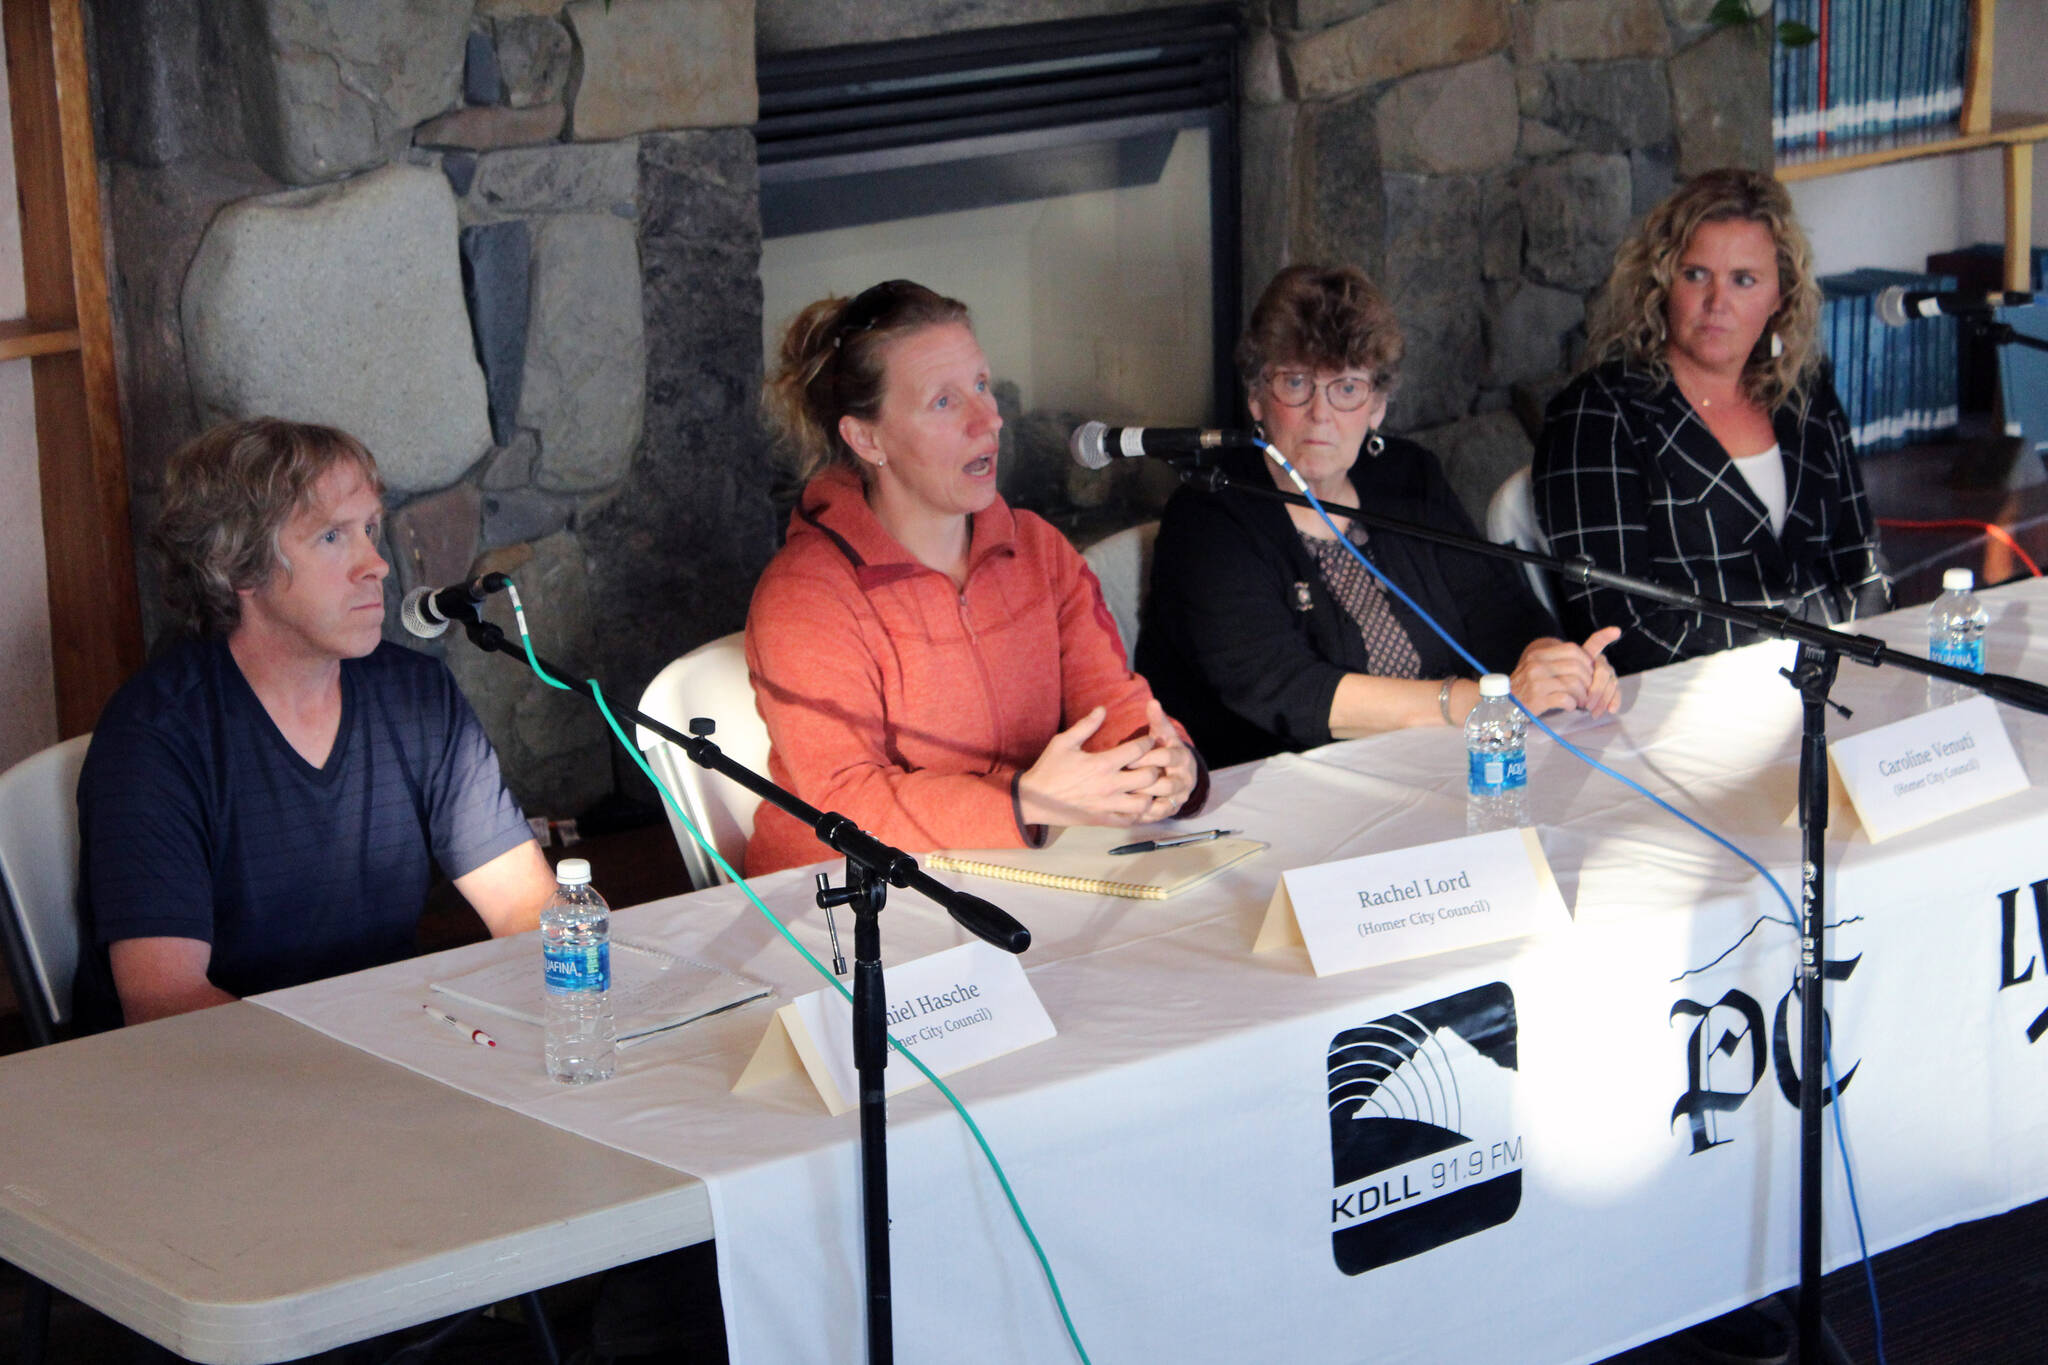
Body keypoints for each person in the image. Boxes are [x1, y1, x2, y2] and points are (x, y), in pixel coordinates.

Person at [71, 419, 553, 1031]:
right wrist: (368, 1064)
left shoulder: (415, 695)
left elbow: (524, 908)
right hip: (207, 1087)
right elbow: (165, 1002)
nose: (376, 564)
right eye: (331, 537)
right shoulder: (155, 739)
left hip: (388, 1051)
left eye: (371, 529)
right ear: (238, 567)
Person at [744, 278, 1206, 877]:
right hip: (840, 903)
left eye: (983, 386)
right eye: (944, 401)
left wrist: (1167, 763)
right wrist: (1023, 803)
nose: (988, 420)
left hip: (1017, 871)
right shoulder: (805, 595)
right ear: (866, 437)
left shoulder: (1039, 549)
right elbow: (842, 799)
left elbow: (1114, 704)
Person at [1136, 264, 1620, 770]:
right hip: (1286, 795)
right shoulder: (1209, 514)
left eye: (1346, 388)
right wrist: (1485, 703)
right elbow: (1286, 691)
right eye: (1296, 383)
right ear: (1257, 397)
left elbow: (1498, 608)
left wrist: (1555, 665)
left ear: (1378, 405)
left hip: (1445, 764)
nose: (1320, 414)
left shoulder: (1407, 475)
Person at [1533, 167, 1891, 676]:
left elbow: (1864, 566)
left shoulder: (1807, 397)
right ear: (1662, 284)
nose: (1717, 303)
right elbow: (1622, 624)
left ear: (1780, 297)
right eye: (1696, 274)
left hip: (1831, 682)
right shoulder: (1598, 414)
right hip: (1690, 704)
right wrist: (1785, 663)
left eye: (1744, 280)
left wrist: (1863, 665)